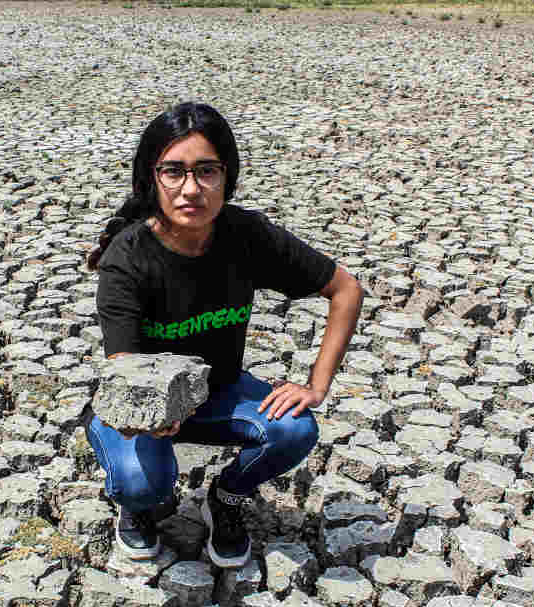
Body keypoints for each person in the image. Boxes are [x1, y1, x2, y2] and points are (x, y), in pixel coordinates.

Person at [84, 102, 364, 568]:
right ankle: (135, 507)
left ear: (226, 176)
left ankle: (228, 497)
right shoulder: (128, 257)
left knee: (294, 428)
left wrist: (317, 385)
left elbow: (346, 289)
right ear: (151, 178)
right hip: (143, 404)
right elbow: (125, 368)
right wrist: (153, 419)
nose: (190, 189)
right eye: (173, 172)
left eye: (206, 171)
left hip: (219, 393)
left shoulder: (246, 235)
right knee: (144, 483)